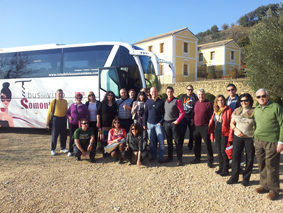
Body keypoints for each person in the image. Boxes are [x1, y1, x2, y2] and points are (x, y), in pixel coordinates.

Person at [254, 88, 283, 200]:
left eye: (263, 96)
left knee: (272, 165)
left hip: (272, 141)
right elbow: (255, 125)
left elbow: (282, 124)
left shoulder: (276, 107)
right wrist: (255, 138)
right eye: (258, 97)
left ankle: (274, 190)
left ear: (268, 96)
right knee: (261, 164)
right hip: (259, 141)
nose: (261, 98)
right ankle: (265, 186)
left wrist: (281, 142)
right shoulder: (256, 109)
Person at [227, 93, 255, 186]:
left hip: (250, 138)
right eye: (242, 101)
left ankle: (246, 178)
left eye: (245, 100)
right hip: (238, 137)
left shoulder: (254, 111)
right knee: (236, 157)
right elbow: (232, 123)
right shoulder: (237, 110)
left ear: (250, 101)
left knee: (249, 158)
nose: (243, 102)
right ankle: (234, 177)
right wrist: (236, 130)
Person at [208, 95, 233, 176]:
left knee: (223, 151)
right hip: (217, 132)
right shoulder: (215, 110)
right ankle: (220, 168)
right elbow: (213, 123)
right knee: (218, 151)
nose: (220, 102)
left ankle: (226, 169)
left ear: (224, 101)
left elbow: (231, 124)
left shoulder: (229, 110)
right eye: (218, 100)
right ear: (216, 102)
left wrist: (230, 135)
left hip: (224, 133)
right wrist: (212, 134)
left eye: (222, 100)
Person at [191, 88, 214, 168]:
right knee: (197, 144)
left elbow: (212, 116)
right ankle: (197, 158)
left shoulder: (208, 103)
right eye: (199, 94)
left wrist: (210, 126)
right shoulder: (195, 103)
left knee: (207, 144)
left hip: (205, 126)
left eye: (202, 94)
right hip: (196, 126)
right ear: (197, 95)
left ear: (205, 95)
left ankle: (210, 160)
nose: (201, 96)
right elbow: (193, 113)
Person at [163, 86, 185, 166]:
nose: (169, 93)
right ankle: (170, 157)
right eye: (168, 92)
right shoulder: (165, 101)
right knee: (169, 141)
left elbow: (182, 112)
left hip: (174, 124)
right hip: (166, 123)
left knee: (177, 141)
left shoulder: (177, 101)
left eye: (171, 91)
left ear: (173, 92)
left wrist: (177, 121)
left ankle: (179, 158)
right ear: (166, 93)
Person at [143, 87, 165, 163]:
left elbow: (164, 114)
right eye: (152, 91)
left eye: (155, 91)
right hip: (150, 124)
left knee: (161, 141)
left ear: (157, 92)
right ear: (150, 92)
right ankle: (153, 156)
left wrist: (161, 122)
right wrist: (144, 124)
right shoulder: (147, 102)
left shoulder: (161, 102)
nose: (154, 93)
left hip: (158, 124)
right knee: (152, 142)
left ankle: (161, 157)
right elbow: (145, 114)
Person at [46, 89, 68, 156]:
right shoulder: (54, 101)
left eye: (61, 93)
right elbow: (49, 111)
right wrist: (47, 121)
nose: (60, 95)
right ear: (56, 94)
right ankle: (53, 149)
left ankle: (63, 148)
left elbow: (66, 110)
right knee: (55, 135)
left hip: (63, 119)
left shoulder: (65, 101)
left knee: (63, 134)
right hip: (56, 119)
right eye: (59, 94)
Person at [97, 91, 117, 156]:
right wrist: (98, 122)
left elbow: (116, 114)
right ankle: (104, 152)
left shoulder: (114, 104)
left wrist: (116, 123)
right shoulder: (102, 103)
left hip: (112, 125)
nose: (110, 96)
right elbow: (98, 113)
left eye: (111, 95)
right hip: (104, 125)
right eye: (109, 95)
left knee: (111, 139)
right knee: (104, 140)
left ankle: (109, 151)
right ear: (106, 96)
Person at [179, 84, 198, 151]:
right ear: (186, 90)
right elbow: (179, 105)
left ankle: (190, 146)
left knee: (192, 133)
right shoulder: (182, 97)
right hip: (183, 118)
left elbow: (197, 108)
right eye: (189, 89)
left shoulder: (195, 97)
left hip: (191, 118)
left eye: (191, 89)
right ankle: (180, 146)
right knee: (182, 133)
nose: (190, 91)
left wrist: (194, 118)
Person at [85, 91, 100, 159]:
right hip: (89, 122)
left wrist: (98, 122)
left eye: (92, 95)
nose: (91, 96)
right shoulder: (87, 103)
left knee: (95, 136)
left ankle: (93, 151)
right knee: (89, 136)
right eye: (90, 95)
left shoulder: (98, 103)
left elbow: (99, 112)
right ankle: (89, 148)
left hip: (95, 122)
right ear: (88, 97)